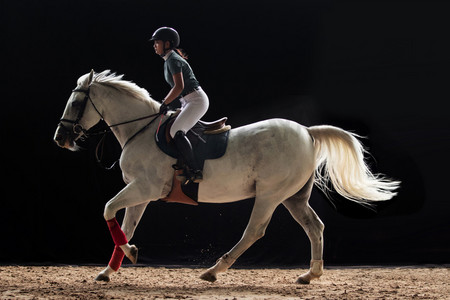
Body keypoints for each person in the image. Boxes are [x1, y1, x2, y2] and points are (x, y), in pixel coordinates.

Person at [150, 27, 209, 184]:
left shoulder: (173, 60)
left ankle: (195, 170)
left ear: (167, 44)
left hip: (196, 101)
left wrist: (165, 102)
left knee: (176, 130)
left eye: (157, 42)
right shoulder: (169, 60)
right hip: (187, 101)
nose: (154, 45)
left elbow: (179, 87)